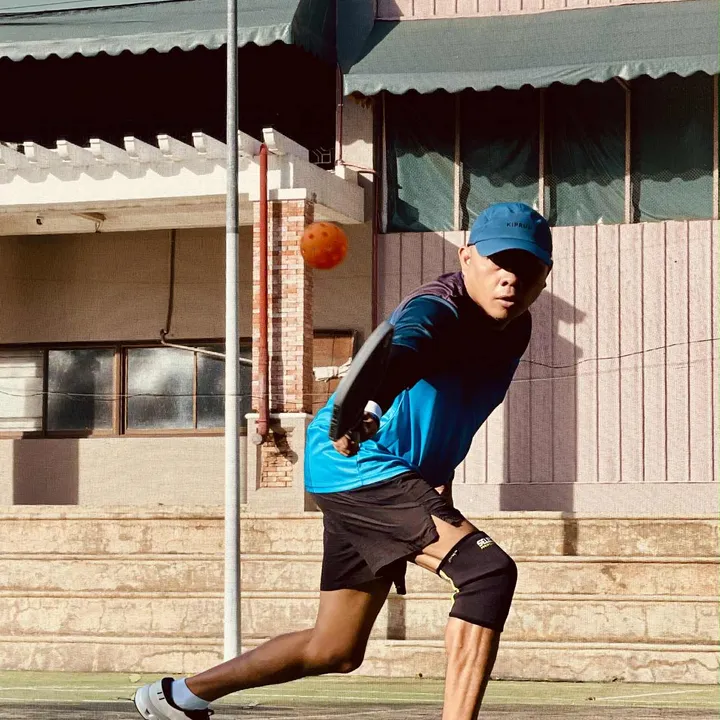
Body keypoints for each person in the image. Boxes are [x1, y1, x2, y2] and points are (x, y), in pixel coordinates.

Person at [133, 201, 553, 720]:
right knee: (487, 571)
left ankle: (176, 696)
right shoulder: (437, 307)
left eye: (527, 266)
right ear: (466, 257)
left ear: (545, 276)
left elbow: (454, 406)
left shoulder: (516, 327)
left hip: (393, 475)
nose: (511, 278)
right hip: (359, 460)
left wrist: (438, 480)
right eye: (498, 262)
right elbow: (407, 349)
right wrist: (370, 407)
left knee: (335, 647)